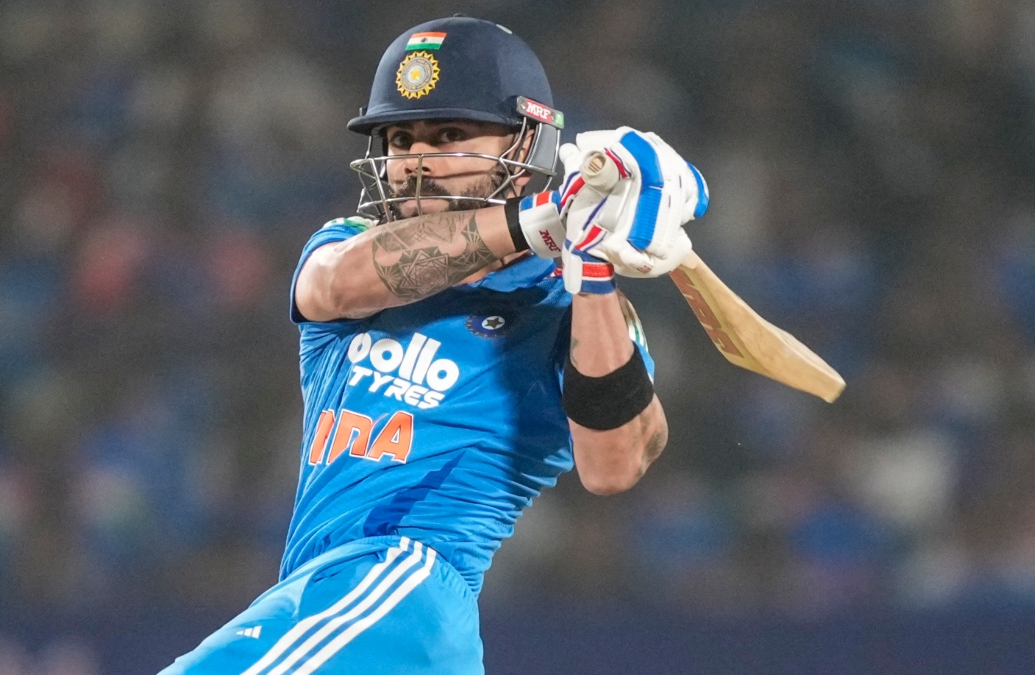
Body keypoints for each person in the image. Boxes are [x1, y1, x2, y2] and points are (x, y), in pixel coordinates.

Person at [161, 14, 706, 674]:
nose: (415, 161)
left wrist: (591, 267)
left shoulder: (564, 307)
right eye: (400, 139)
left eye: (448, 135)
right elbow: (335, 284)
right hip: (326, 597)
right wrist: (542, 219)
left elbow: (615, 464)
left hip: (405, 584)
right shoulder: (347, 244)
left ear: (525, 144)